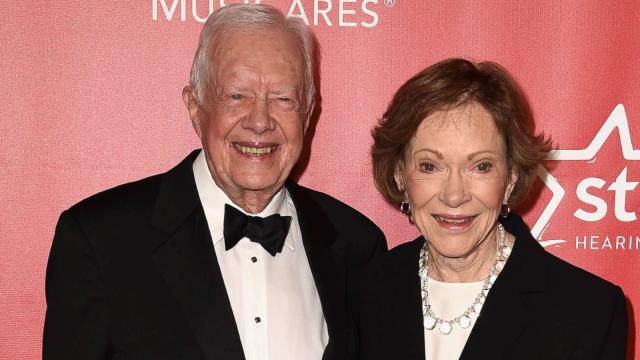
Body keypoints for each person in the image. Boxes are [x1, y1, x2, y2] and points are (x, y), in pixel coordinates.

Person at [43, 4, 386, 360]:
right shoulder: (100, 240)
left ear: (309, 112)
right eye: (237, 96)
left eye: (284, 99)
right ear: (195, 106)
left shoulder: (358, 246)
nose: (260, 121)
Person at [353, 58, 628, 359]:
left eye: (481, 166)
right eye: (430, 166)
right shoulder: (362, 294)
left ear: (510, 178)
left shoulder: (589, 311)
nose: (454, 195)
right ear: (399, 175)